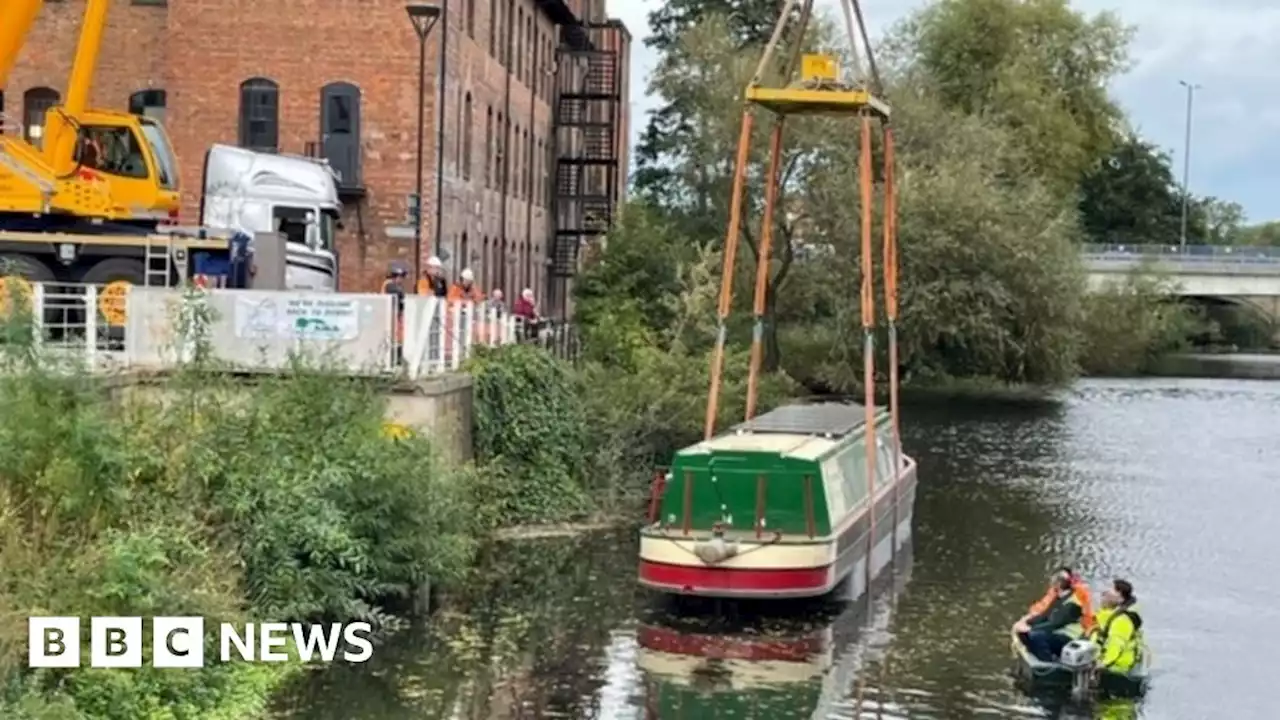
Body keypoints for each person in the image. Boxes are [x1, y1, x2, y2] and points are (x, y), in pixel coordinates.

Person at [1014, 567, 1086, 661]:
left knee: (1036, 635)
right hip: (1057, 633)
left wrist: (1031, 629)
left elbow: (1055, 623)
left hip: (1069, 637)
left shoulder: (1073, 603)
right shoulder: (1059, 598)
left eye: (1053, 581)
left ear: (1058, 584)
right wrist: (1026, 622)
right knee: (1024, 634)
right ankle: (1035, 657)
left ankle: (1048, 662)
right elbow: (1045, 615)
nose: (1051, 584)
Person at [1088, 578, 1143, 674]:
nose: (1105, 592)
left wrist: (1103, 664)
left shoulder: (1122, 620)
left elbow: (1116, 645)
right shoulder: (1104, 615)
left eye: (1111, 589)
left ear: (1121, 598)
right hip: (1099, 660)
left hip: (1117, 668)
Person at [1024, 565, 1094, 634]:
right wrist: (1031, 617)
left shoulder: (1078, 594)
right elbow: (1044, 606)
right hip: (1057, 622)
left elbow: (1086, 616)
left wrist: (1030, 627)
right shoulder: (1056, 591)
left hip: (1073, 628)